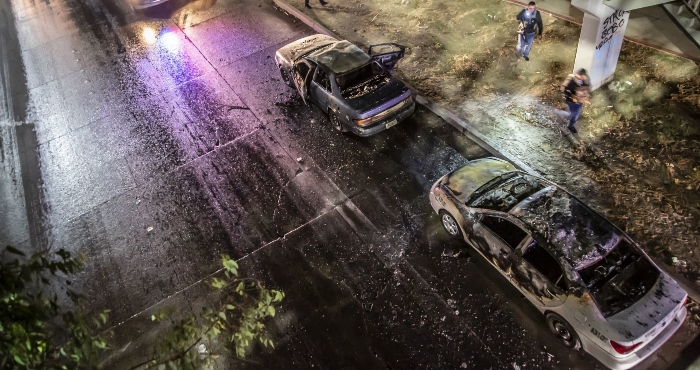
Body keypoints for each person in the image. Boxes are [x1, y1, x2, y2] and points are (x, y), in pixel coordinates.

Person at [560, 68, 591, 134]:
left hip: (579, 102)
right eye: (580, 75)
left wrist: (586, 99)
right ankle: (558, 114)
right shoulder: (572, 81)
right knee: (570, 114)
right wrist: (572, 98)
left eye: (583, 75)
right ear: (577, 74)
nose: (582, 77)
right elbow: (565, 91)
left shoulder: (585, 80)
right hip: (571, 102)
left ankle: (571, 126)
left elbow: (587, 89)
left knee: (575, 116)